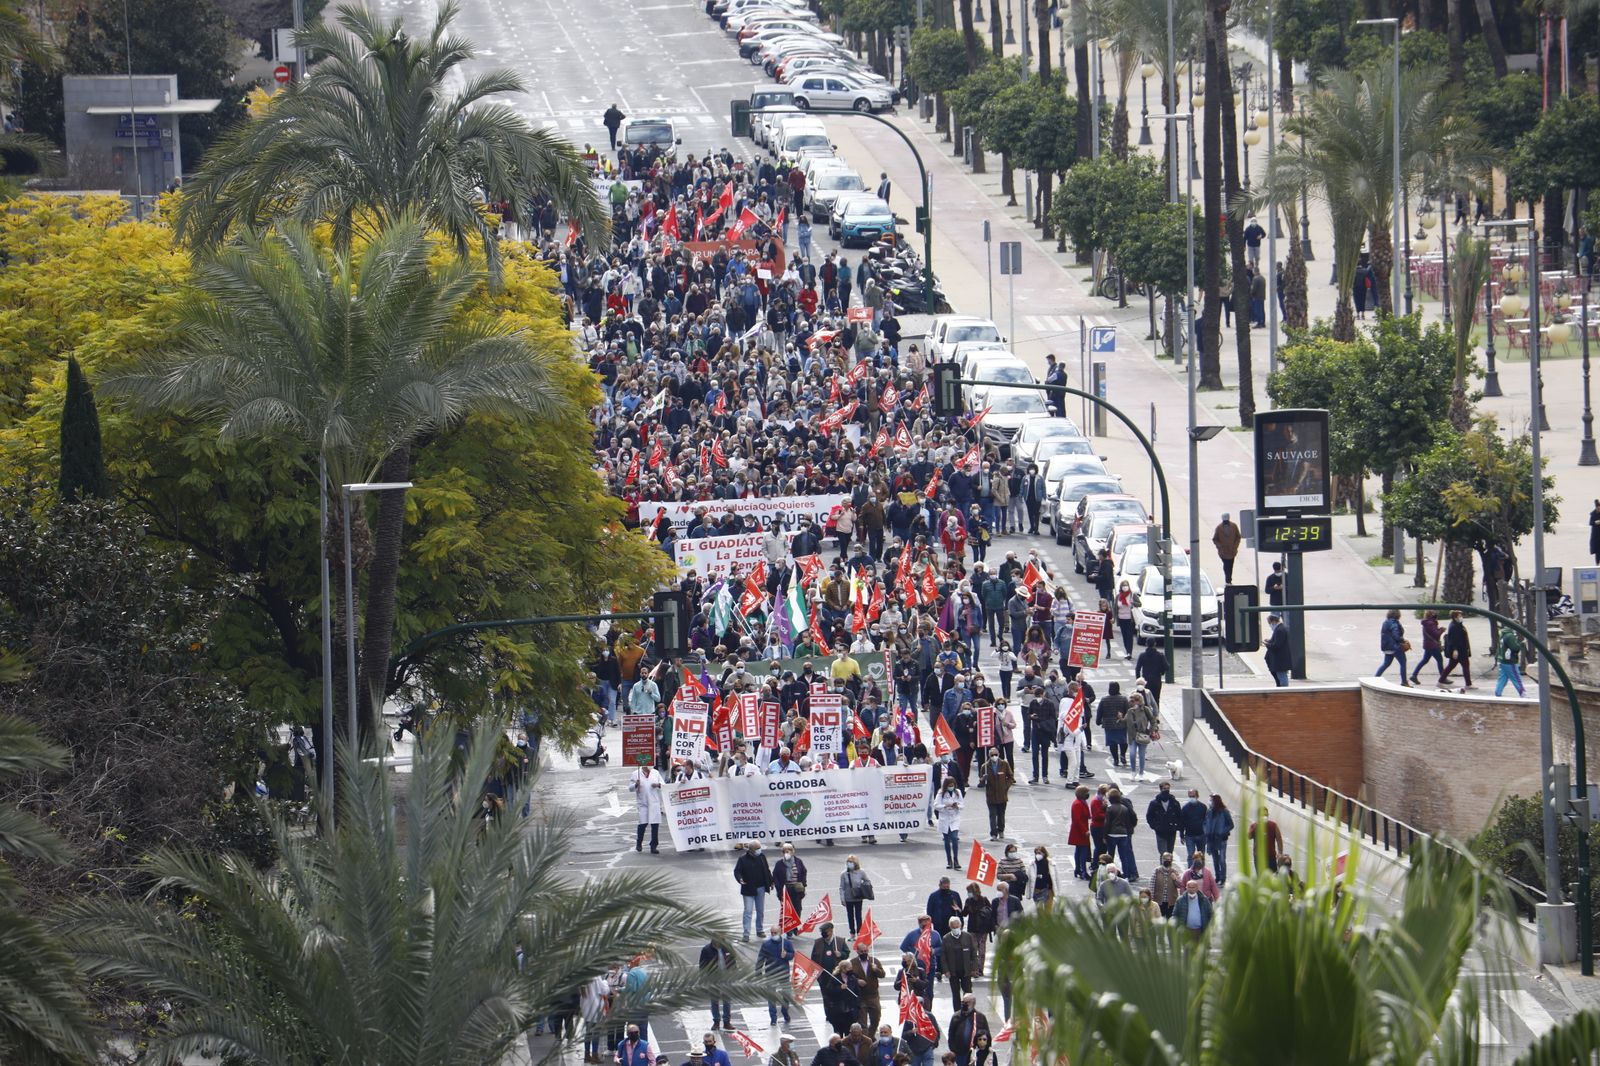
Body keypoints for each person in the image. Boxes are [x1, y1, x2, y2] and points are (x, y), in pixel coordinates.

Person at [812, 922, 852, 1035]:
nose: (823, 933)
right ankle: (828, 1014)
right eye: (822, 932)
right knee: (825, 995)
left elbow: (847, 953)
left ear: (830, 930)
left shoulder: (839, 941)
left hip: (836, 975)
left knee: (838, 994)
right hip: (823, 976)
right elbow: (813, 958)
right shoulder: (818, 942)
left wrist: (841, 955)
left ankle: (838, 1012)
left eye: (825, 931)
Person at [757, 926, 796, 1025]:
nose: (773, 934)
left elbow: (792, 955)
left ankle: (785, 1011)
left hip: (784, 974)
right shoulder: (766, 944)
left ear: (780, 932)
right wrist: (758, 972)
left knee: (787, 995)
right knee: (771, 997)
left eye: (775, 932)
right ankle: (773, 1018)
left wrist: (786, 955)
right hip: (771, 974)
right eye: (772, 933)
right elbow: (761, 958)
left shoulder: (786, 943)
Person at [735, 841, 773, 941]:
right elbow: (737, 871)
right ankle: (746, 934)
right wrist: (740, 879)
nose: (759, 850)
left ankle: (759, 930)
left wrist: (771, 881)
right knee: (748, 911)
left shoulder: (762, 857)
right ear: (751, 850)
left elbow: (767, 870)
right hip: (748, 889)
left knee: (760, 911)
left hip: (761, 888)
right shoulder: (742, 859)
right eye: (757, 848)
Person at [940, 918, 979, 1012]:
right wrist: (946, 970)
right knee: (955, 994)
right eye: (953, 927)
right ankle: (957, 1013)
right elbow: (943, 957)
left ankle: (969, 1011)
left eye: (957, 927)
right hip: (953, 972)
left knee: (968, 993)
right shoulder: (946, 938)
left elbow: (974, 953)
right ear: (950, 927)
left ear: (960, 926)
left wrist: (974, 968)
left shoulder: (967, 936)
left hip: (966, 971)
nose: (955, 928)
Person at [843, 946, 885, 1031]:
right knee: (862, 1022)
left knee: (875, 1020)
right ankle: (867, 1041)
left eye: (865, 951)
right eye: (862, 951)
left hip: (873, 996)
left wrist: (876, 969)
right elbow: (849, 977)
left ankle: (870, 1036)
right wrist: (857, 981)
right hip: (861, 997)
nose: (864, 953)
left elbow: (882, 975)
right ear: (857, 952)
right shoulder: (853, 962)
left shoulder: (874, 961)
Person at [1103, 786, 1139, 882]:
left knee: (1110, 855)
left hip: (1112, 834)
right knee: (1124, 856)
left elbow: (1107, 823)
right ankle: (1126, 875)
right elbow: (1128, 822)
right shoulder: (1124, 808)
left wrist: (1104, 835)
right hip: (1123, 834)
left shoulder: (1109, 809)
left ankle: (1109, 874)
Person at [978, 749, 1013, 840]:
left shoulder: (1004, 764)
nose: (994, 756)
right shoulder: (984, 767)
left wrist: (1006, 786)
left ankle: (1001, 830)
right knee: (992, 815)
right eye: (992, 755)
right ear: (989, 756)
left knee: (1001, 814)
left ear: (998, 754)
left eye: (995, 754)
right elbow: (981, 783)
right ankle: (993, 833)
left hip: (1002, 795)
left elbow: (1010, 777)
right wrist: (983, 779)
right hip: (991, 795)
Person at [946, 993, 989, 1066]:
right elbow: (951, 1034)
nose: (964, 1004)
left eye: (967, 1002)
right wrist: (953, 1049)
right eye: (963, 1002)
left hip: (976, 1052)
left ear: (973, 1003)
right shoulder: (956, 1016)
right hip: (960, 1053)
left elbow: (987, 1034)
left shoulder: (980, 1017)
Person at [630, 762, 664, 853]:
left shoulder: (655, 773)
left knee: (655, 825)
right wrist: (636, 785)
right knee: (642, 824)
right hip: (643, 803)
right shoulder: (635, 774)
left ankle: (653, 846)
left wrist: (657, 785)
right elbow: (630, 788)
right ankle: (639, 843)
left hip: (654, 802)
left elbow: (663, 784)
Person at [1145, 780, 1182, 859]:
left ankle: (1169, 869)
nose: (1166, 790)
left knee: (1170, 853)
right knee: (1163, 854)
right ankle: (1163, 869)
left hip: (1171, 831)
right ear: (1161, 789)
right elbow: (1149, 816)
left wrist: (1177, 827)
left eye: (1168, 788)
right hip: (1160, 832)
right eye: (1164, 788)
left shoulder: (1174, 803)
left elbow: (1179, 816)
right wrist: (1155, 826)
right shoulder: (1154, 803)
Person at [1439, 609, 1474, 690]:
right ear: (1455, 617)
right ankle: (1468, 684)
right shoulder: (1454, 626)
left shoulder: (1457, 624)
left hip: (1460, 650)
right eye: (1460, 616)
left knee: (1451, 666)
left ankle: (1440, 681)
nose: (1461, 617)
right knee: (1465, 665)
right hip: (1459, 650)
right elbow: (1454, 640)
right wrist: (1455, 650)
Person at [1096, 682, 1129, 768]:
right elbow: (1128, 711)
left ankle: (1115, 759)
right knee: (1123, 741)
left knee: (1112, 743)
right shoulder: (1124, 699)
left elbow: (1100, 712)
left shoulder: (1104, 699)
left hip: (1108, 724)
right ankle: (1122, 755)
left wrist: (1098, 721)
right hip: (1121, 723)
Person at [840, 854, 874, 936]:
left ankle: (859, 932)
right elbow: (841, 887)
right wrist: (842, 898)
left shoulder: (861, 872)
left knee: (858, 915)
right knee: (850, 916)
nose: (849, 864)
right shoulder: (844, 874)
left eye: (851, 862)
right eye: (848, 862)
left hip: (858, 897)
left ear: (855, 863)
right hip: (848, 898)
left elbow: (867, 881)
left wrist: (863, 887)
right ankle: (852, 932)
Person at [935, 776, 964, 869]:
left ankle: (956, 860)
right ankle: (949, 860)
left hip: (954, 818)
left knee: (954, 838)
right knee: (947, 840)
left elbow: (962, 805)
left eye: (952, 785)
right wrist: (945, 805)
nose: (951, 787)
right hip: (945, 818)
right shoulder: (941, 793)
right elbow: (936, 805)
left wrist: (957, 806)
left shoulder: (958, 792)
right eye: (949, 785)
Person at [1409, 610, 1445, 685]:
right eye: (1434, 613)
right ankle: (1443, 678)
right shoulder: (1430, 623)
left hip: (1428, 645)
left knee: (1424, 660)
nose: (1436, 614)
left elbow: (1433, 632)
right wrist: (1441, 630)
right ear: (1431, 615)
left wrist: (1438, 629)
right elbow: (1436, 634)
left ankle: (1414, 675)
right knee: (1439, 660)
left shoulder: (1427, 623)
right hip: (1432, 645)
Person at [1205, 794, 1234, 884]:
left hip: (1222, 839)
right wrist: (1206, 831)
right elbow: (1205, 823)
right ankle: (1217, 876)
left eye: (1211, 800)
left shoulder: (1224, 812)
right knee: (1215, 859)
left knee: (1222, 859)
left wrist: (1222, 832)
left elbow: (1231, 824)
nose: (1209, 802)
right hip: (1211, 839)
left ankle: (1223, 877)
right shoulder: (1209, 812)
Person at [1375, 608, 1410, 685]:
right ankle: (1404, 682)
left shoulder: (1385, 622)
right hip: (1395, 647)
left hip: (1387, 647)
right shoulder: (1394, 623)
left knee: (1386, 664)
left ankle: (1375, 679)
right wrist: (1403, 640)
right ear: (1398, 615)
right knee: (1403, 663)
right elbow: (1396, 636)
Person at [774, 842, 808, 920]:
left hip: (797, 889)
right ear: (783, 852)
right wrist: (779, 888)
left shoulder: (798, 861)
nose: (787, 852)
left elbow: (803, 872)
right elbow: (775, 877)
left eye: (789, 850)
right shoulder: (779, 863)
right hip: (786, 890)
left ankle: (795, 928)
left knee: (798, 909)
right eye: (785, 851)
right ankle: (789, 929)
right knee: (787, 910)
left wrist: (803, 884)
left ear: (793, 851)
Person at [1495, 626, 1527, 697]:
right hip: (1509, 661)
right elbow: (1515, 648)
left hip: (1502, 659)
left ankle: (1498, 692)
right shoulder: (1510, 636)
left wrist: (1497, 658)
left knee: (1503, 678)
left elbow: (1499, 647)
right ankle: (1522, 692)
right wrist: (1522, 644)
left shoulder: (1503, 634)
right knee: (1515, 677)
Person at [1180, 788, 1208, 870]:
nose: (1191, 798)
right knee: (1190, 855)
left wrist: (1207, 834)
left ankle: (1202, 871)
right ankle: (1190, 872)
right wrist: (1181, 835)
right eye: (1190, 796)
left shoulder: (1203, 807)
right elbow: (1182, 822)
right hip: (1189, 835)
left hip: (1201, 835)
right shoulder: (1185, 808)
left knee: (1201, 855)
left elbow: (1206, 821)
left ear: (1197, 796)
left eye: (1193, 796)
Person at [1069, 784, 1092, 879]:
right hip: (1080, 831)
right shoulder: (1078, 804)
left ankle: (1078, 869)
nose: (1088, 794)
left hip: (1080, 830)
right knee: (1083, 851)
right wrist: (1085, 831)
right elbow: (1077, 820)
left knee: (1079, 850)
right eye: (1086, 793)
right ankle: (1083, 871)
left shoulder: (1081, 802)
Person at [1211, 514, 1241, 584]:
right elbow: (1215, 539)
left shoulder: (1234, 526)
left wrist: (1235, 546)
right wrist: (1220, 547)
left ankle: (1228, 579)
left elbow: (1238, 537)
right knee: (1226, 565)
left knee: (1230, 565)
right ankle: (1228, 580)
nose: (1226, 523)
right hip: (1223, 552)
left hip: (1232, 551)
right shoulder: (1219, 528)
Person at [1264, 613, 1292, 687]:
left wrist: (1267, 644)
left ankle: (1284, 691)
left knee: (1282, 677)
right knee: (1281, 676)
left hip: (1280, 660)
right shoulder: (1281, 628)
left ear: (1273, 622)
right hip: (1281, 659)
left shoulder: (1279, 630)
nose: (1270, 626)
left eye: (1269, 623)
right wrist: (1270, 640)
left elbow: (1277, 645)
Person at [1150, 851, 1181, 918]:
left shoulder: (1174, 871)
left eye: (1169, 860)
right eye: (1166, 859)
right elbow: (1152, 886)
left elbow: (1179, 885)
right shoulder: (1156, 871)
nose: (1167, 861)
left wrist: (1175, 879)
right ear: (1162, 860)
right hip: (1159, 901)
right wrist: (1151, 899)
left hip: (1171, 902)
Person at [1031, 844, 1058, 908]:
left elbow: (1056, 878)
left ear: (1044, 853)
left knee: (1048, 911)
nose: (1038, 855)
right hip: (1037, 889)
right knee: (1039, 910)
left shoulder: (1050, 863)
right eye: (1036, 853)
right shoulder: (1032, 864)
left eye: (1039, 853)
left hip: (1048, 889)